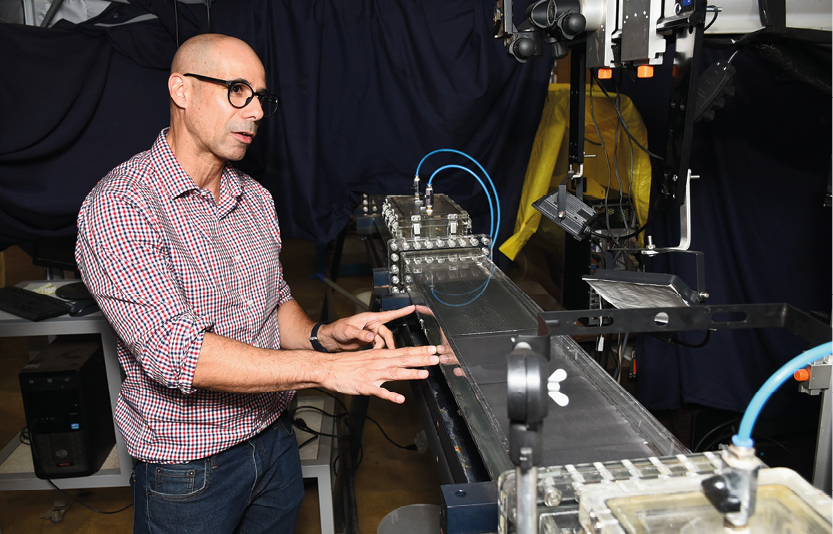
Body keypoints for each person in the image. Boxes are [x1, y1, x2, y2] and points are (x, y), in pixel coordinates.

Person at [75, 33, 442, 534]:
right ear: (181, 90)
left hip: (274, 444)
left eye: (262, 98)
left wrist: (325, 336)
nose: (256, 112)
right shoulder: (122, 205)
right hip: (191, 472)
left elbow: (273, 307)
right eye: (237, 90)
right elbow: (175, 351)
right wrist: (325, 372)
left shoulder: (255, 199)